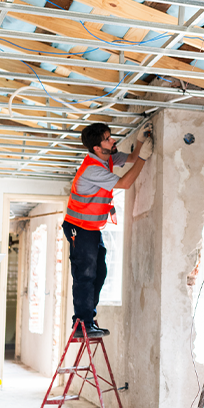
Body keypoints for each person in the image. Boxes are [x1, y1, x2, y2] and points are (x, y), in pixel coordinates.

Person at [63, 122, 153, 338]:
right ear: (96, 147)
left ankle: (87, 320)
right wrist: (144, 158)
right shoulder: (93, 168)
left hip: (91, 229)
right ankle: (82, 324)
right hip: (78, 228)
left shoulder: (107, 158)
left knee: (99, 272)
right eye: (107, 139)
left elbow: (130, 159)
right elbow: (124, 183)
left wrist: (140, 141)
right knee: (85, 274)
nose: (113, 140)